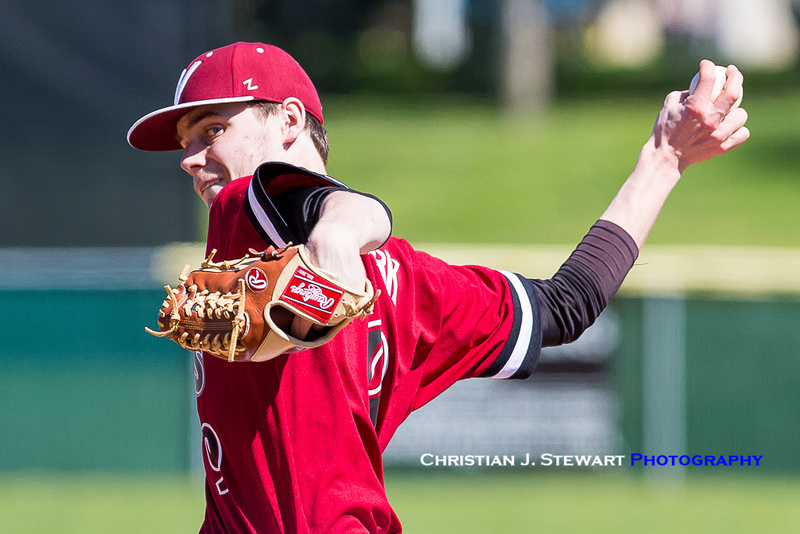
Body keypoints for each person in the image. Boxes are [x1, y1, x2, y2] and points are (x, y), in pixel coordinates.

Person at [128, 42, 749, 533]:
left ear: (289, 119)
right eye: (186, 143)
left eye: (211, 130)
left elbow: (335, 208)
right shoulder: (412, 286)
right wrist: (663, 161)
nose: (189, 157)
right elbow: (565, 305)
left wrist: (340, 239)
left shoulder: (245, 202)